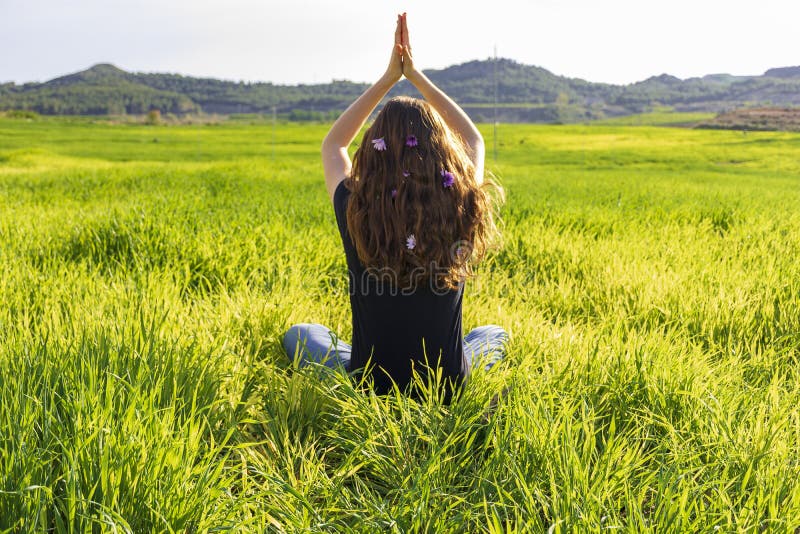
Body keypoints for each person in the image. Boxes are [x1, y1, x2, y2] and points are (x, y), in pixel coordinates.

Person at [282, 13, 508, 399]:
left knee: (300, 334)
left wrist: (389, 78)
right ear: (442, 152)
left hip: (371, 383)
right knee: (493, 335)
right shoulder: (461, 202)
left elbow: (333, 145)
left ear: (375, 150)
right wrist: (415, 76)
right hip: (448, 386)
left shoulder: (357, 206)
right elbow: (474, 139)